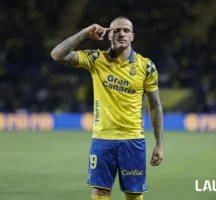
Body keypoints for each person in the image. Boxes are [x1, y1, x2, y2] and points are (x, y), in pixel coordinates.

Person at [51, 16, 164, 200]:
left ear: (132, 36)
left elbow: (155, 106)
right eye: (116, 30)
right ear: (108, 34)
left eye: (126, 30)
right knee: (100, 192)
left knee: (134, 193)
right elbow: (57, 55)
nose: (121, 34)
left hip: (133, 139)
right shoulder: (97, 59)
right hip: (102, 139)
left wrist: (159, 143)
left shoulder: (146, 66)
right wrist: (86, 33)